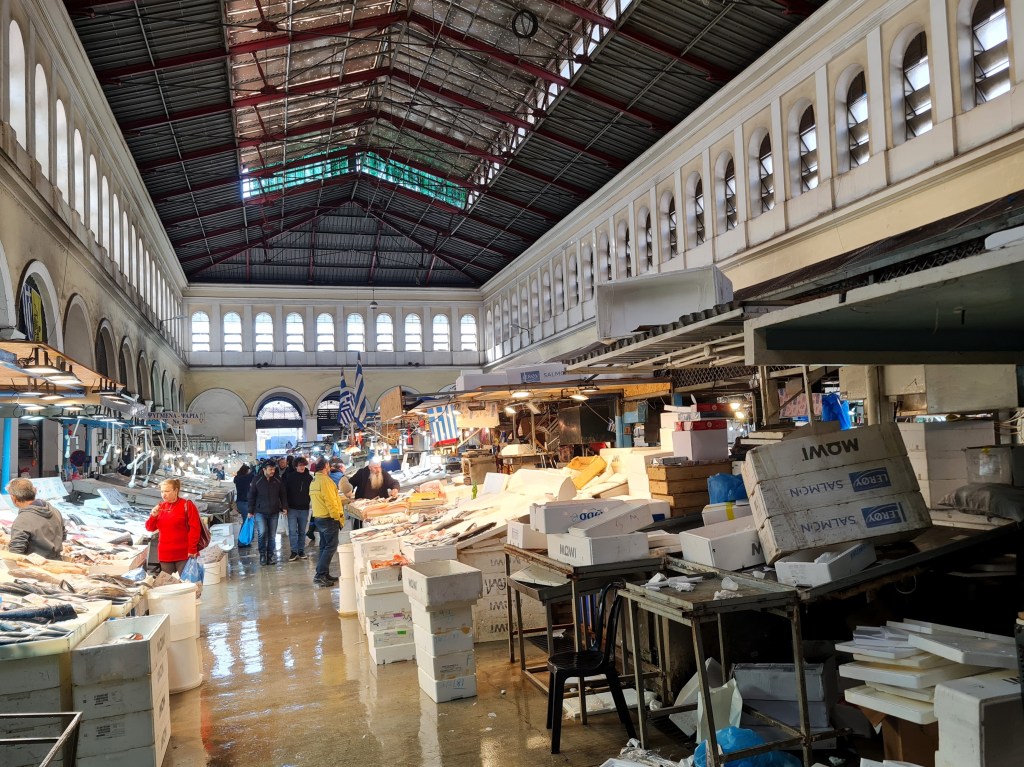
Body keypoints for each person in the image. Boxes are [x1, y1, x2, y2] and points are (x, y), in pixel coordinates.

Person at [144, 478, 202, 574]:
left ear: (176, 491)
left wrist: (192, 549)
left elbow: (195, 528)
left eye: (167, 491)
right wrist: (153, 516)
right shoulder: (160, 507)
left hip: (184, 553)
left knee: (186, 584)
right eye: (162, 491)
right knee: (169, 585)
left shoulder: (187, 505)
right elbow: (149, 528)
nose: (164, 494)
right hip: (165, 554)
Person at [6, 478, 66, 560]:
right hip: (57, 561)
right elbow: (63, 535)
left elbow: (16, 551)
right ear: (35, 491)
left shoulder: (23, 520)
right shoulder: (54, 510)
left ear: (14, 498)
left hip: (35, 566)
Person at [308, 458, 342, 587]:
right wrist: (336, 517)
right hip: (328, 518)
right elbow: (331, 501)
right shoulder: (326, 481)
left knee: (324, 546)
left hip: (319, 518)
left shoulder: (314, 480)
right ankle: (320, 575)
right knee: (331, 546)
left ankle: (324, 573)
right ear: (326, 466)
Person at [247, 462, 288, 566]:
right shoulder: (257, 480)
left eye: (274, 469)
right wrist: (250, 511)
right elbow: (251, 496)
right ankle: (262, 555)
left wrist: (284, 507)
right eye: (270, 469)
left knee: (272, 535)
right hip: (260, 511)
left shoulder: (278, 480)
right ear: (264, 469)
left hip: (274, 511)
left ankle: (270, 556)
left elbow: (283, 494)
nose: (272, 471)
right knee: (262, 533)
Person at [282, 456, 313, 561]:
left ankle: (301, 550)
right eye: (300, 465)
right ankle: (294, 552)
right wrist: (284, 506)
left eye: (304, 465)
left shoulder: (309, 478)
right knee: (292, 531)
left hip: (304, 508)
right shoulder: (290, 477)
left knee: (302, 531)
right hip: (292, 509)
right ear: (296, 466)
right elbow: (284, 493)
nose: (302, 467)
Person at [233, 465, 254, 546]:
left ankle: (245, 541)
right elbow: (252, 475)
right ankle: (241, 542)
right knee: (246, 521)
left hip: (240, 502)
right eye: (247, 471)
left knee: (246, 521)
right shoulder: (244, 478)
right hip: (244, 502)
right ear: (245, 471)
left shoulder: (238, 478)